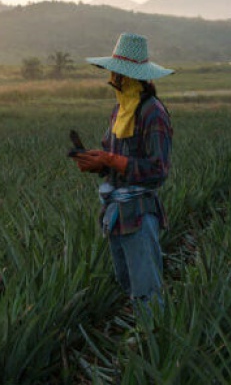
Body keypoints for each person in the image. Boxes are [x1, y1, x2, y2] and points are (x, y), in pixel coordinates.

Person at [71, 32, 173, 307]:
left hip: (139, 211)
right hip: (116, 212)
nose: (111, 78)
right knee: (127, 281)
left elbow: (158, 170)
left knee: (146, 289)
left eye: (115, 73)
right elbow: (113, 155)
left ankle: (153, 341)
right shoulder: (120, 110)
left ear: (127, 76)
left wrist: (110, 160)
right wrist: (96, 161)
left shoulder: (153, 113)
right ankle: (144, 336)